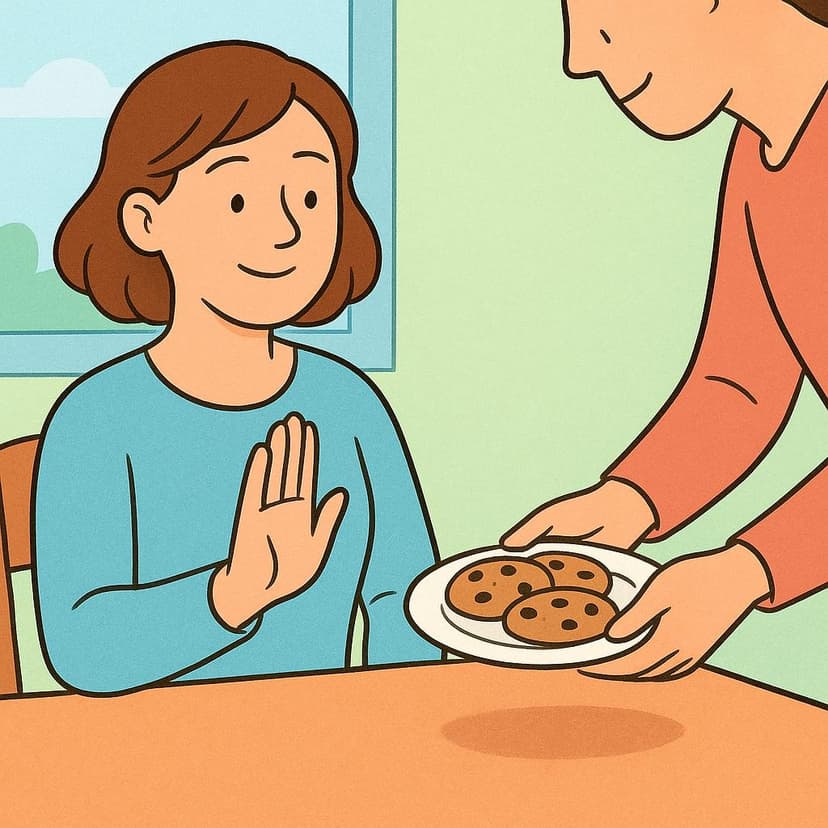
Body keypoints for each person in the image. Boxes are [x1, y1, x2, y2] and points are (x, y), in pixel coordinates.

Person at [33, 42, 440, 696]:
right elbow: (82, 647)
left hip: (329, 753)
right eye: (239, 201)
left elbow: (408, 600)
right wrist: (230, 595)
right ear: (145, 220)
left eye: (310, 195)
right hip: (141, 765)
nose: (284, 230)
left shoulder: (349, 404)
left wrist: (397, 732)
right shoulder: (95, 419)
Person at [503, 0, 828, 680]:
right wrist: (633, 499)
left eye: (596, 14)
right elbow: (737, 385)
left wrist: (749, 570)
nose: (577, 56)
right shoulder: (759, 154)